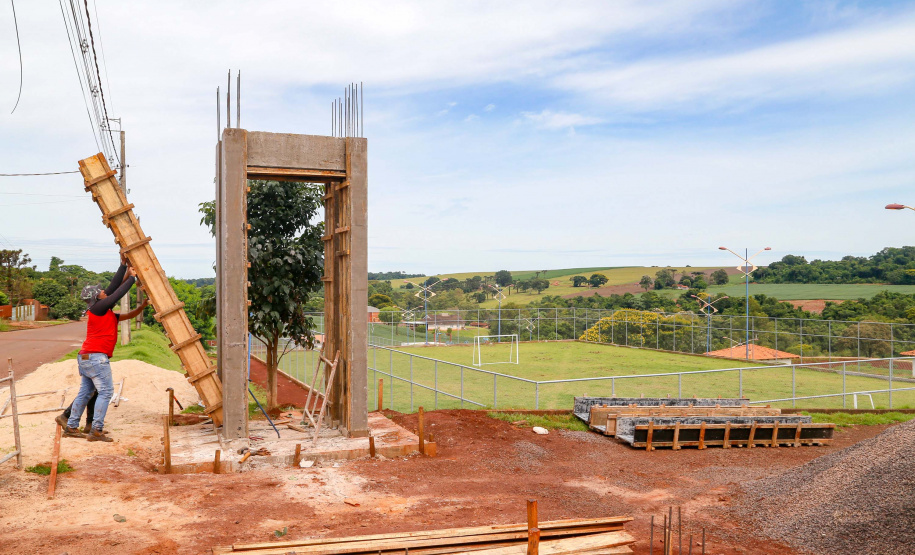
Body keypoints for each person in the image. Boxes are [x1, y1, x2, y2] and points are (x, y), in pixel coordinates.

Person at [56, 257, 148, 441]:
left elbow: (114, 288)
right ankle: (96, 430)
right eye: (101, 292)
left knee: (86, 392)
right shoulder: (98, 308)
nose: (104, 291)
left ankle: (72, 427)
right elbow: (116, 293)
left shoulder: (103, 310)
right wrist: (132, 277)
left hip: (86, 357)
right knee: (106, 392)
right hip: (96, 358)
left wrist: (123, 266)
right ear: (97, 297)